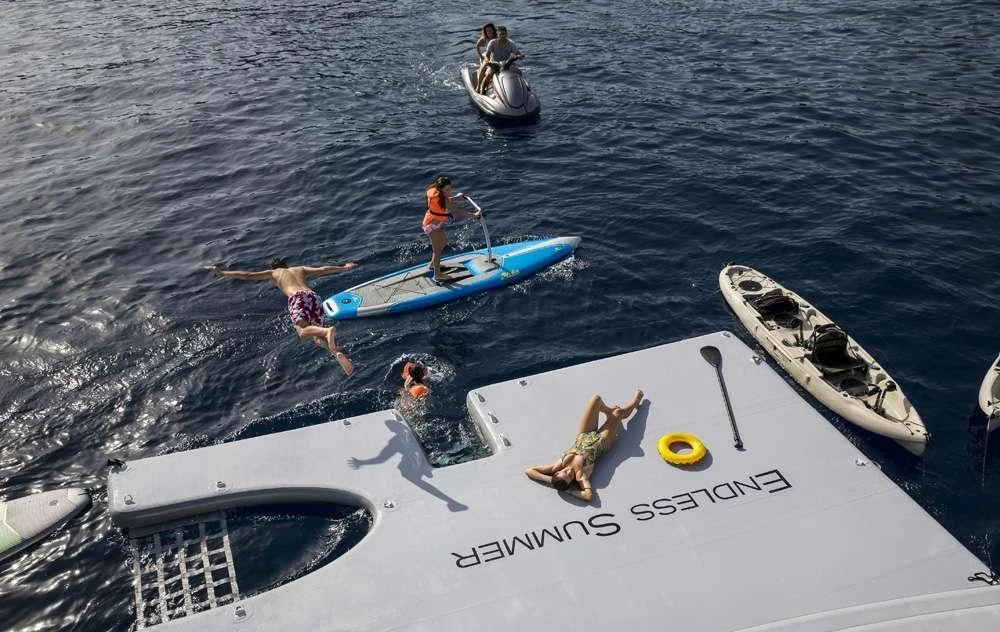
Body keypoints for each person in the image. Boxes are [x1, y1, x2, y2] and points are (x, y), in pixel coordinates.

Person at [207, 258, 358, 375]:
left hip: (297, 297)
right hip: (313, 297)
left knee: (302, 333)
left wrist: (222, 273)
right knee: (316, 337)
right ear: (287, 265)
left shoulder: (275, 273)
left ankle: (328, 331)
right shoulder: (299, 269)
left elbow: (248, 275)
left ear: (275, 268)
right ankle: (335, 351)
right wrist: (344, 267)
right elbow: (323, 269)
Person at [525, 389, 643, 501]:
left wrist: (550, 480)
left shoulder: (556, 466)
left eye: (565, 473)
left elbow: (529, 471)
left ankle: (608, 412)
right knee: (618, 413)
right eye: (570, 477)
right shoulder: (580, 475)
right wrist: (569, 491)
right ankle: (635, 402)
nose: (570, 472)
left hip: (583, 435)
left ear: (557, 473)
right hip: (601, 441)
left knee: (596, 399)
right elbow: (588, 496)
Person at [422, 175, 481, 283]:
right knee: (437, 250)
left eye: (450, 189)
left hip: (432, 223)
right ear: (440, 189)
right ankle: (437, 275)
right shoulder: (444, 200)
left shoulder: (435, 192)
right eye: (447, 190)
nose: (450, 191)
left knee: (444, 241)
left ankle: (432, 265)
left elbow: (445, 199)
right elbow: (457, 210)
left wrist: (457, 197)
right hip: (431, 227)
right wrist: (474, 215)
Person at [476, 25, 524, 94]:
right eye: (501, 34)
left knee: (519, 72)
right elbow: (487, 55)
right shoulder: (492, 43)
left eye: (504, 34)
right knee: (488, 75)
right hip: (495, 63)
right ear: (497, 34)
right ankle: (481, 89)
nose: (503, 36)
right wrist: (487, 60)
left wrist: (520, 56)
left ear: (507, 34)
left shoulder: (511, 43)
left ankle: (523, 88)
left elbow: (518, 53)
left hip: (506, 64)